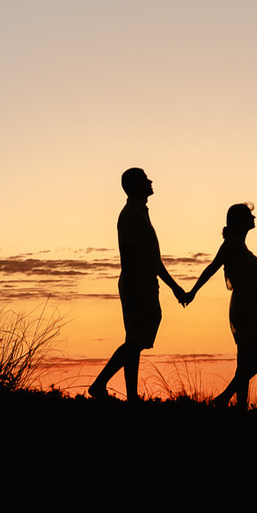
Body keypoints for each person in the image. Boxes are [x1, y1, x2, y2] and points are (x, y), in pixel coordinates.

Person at [88, 167, 188, 400]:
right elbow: (139, 258)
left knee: (134, 342)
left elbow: (153, 259)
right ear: (134, 186)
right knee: (136, 341)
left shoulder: (138, 213)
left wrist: (174, 288)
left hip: (141, 284)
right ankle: (99, 385)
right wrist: (166, 287)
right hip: (137, 285)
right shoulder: (132, 214)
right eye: (145, 179)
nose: (151, 181)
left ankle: (131, 396)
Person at [185, 202, 257, 407]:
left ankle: (241, 408)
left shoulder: (238, 244)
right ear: (239, 221)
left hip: (249, 308)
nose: (254, 219)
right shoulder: (232, 244)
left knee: (244, 362)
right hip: (246, 310)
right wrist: (193, 292)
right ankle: (224, 398)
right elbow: (212, 268)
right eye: (249, 216)